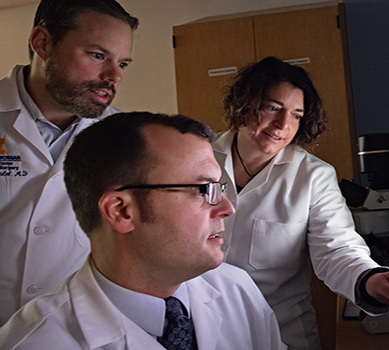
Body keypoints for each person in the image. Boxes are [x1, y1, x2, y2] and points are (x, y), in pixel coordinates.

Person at [212, 56, 389, 349]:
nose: (282, 124)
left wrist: (372, 280)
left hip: (277, 335)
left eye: (296, 115)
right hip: (197, 329)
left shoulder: (313, 175)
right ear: (244, 103)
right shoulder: (198, 159)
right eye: (272, 107)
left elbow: (337, 250)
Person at [0, 112, 287, 350]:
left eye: (219, 187)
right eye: (203, 190)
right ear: (122, 211)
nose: (227, 207)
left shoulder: (237, 291)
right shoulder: (35, 342)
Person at [0, 0, 138, 325]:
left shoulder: (122, 137)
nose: (114, 76)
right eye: (98, 55)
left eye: (123, 63)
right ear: (42, 43)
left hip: (72, 325)